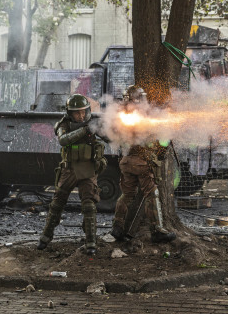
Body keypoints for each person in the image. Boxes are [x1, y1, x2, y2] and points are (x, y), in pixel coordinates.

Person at [37, 95, 107, 256]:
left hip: (87, 170)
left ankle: (91, 242)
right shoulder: (64, 124)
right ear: (70, 113)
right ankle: (45, 238)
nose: (81, 116)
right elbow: (63, 140)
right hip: (68, 169)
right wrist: (85, 129)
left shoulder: (92, 123)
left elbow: (109, 137)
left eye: (83, 112)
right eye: (77, 113)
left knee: (89, 206)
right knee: (56, 205)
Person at [109, 85, 177, 244]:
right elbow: (159, 139)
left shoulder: (121, 114)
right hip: (141, 163)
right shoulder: (137, 116)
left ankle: (117, 226)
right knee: (152, 193)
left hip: (126, 162)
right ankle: (158, 230)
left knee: (127, 194)